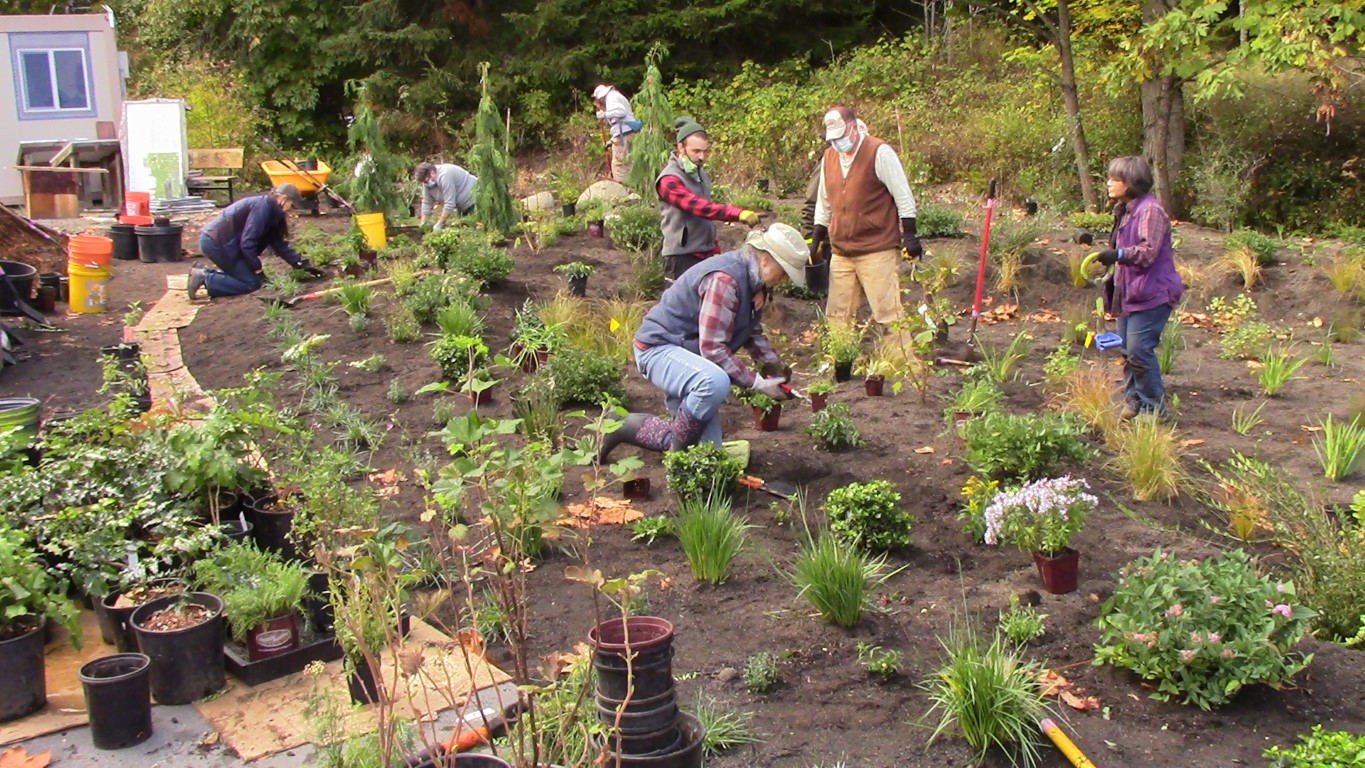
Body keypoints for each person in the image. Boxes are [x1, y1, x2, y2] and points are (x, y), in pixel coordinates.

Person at [597, 223, 809, 461]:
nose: (784, 280)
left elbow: (750, 330)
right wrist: (757, 383)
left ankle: (622, 426)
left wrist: (771, 365)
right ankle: (676, 454)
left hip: (691, 359)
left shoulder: (754, 283)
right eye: (785, 272)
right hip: (660, 349)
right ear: (767, 260)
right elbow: (713, 349)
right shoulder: (725, 280)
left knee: (707, 456)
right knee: (715, 382)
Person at [809, 106, 922, 327]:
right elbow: (824, 203)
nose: (838, 143)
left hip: (877, 249)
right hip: (842, 251)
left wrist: (910, 235)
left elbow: (903, 196)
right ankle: (840, 360)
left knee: (888, 316)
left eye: (841, 137)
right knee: (837, 316)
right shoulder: (830, 157)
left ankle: (901, 361)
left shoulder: (878, 152)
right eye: (833, 139)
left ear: (853, 128)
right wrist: (816, 240)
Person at [1096, 156, 1184, 419]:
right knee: (1128, 351)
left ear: (1131, 182)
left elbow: (1147, 252)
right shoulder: (1126, 210)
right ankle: (1134, 401)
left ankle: (1155, 409)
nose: (1109, 183)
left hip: (1152, 293)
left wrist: (1119, 254)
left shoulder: (1150, 210)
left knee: (1139, 350)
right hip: (1130, 292)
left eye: (1115, 179)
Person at [657, 117, 762, 281]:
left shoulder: (699, 174)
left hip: (705, 251)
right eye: (696, 151)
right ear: (681, 147)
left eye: (705, 151)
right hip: (682, 256)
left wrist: (714, 247)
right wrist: (736, 213)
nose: (702, 157)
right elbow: (698, 207)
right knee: (681, 304)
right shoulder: (668, 180)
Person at [188, 184, 323, 299]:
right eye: (292, 205)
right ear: (283, 199)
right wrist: (258, 269)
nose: (291, 210)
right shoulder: (262, 207)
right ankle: (205, 278)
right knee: (251, 283)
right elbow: (247, 243)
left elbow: (277, 242)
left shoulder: (271, 210)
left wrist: (300, 263)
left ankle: (203, 273)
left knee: (248, 277)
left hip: (224, 243)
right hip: (217, 243)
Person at [593, 83, 640, 183]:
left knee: (618, 164)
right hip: (628, 132)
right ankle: (633, 187)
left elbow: (620, 112)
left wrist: (604, 114)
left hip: (623, 133)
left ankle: (621, 190)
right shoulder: (617, 96)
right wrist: (612, 141)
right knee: (629, 162)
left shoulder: (611, 98)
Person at [414, 162, 478, 230]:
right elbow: (426, 202)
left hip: (475, 199)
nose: (425, 183)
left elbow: (450, 203)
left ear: (432, 173)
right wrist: (423, 223)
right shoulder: (427, 183)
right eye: (424, 182)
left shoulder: (445, 175)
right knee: (464, 228)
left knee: (476, 227)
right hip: (461, 206)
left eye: (426, 181)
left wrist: (440, 223)